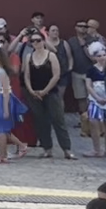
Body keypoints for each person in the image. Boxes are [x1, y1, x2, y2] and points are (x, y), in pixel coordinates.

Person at [23, 31, 74, 159]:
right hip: (34, 93)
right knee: (40, 121)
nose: (36, 43)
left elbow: (56, 75)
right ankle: (47, 148)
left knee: (58, 120)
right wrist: (31, 90)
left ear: (43, 41)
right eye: (33, 41)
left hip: (51, 92)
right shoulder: (29, 57)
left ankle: (66, 149)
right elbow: (27, 76)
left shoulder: (51, 56)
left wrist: (45, 91)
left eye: (38, 40)